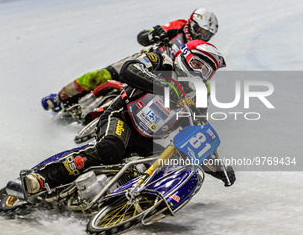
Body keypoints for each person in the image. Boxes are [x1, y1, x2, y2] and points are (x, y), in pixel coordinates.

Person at [25, 40, 235, 194]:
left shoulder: (197, 97)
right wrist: (162, 85)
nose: (200, 73)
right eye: (198, 64)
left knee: (172, 165)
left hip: (147, 139)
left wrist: (218, 167)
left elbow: (197, 132)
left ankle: (122, 198)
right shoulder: (162, 61)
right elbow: (129, 68)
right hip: (122, 116)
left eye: (207, 71)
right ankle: (41, 178)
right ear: (185, 56)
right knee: (110, 148)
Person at [41, 8, 219, 112]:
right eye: (199, 30)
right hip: (146, 60)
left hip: (164, 78)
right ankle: (59, 97)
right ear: (191, 23)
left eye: (207, 34)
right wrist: (154, 34)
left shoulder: (200, 51)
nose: (201, 36)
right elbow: (142, 37)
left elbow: (204, 79)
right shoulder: (177, 27)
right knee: (101, 75)